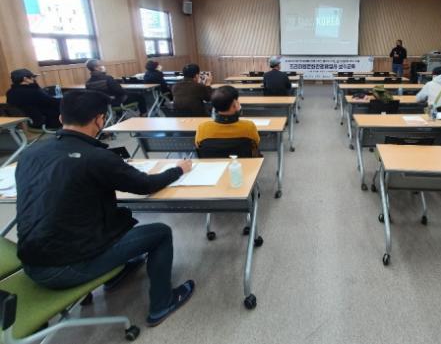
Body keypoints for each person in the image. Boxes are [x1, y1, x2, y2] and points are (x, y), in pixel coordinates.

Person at [16, 90, 194, 326]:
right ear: (99, 120)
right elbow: (145, 185)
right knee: (160, 232)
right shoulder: (97, 157)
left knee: (119, 218)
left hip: (31, 261)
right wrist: (179, 169)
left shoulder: (29, 153)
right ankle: (162, 304)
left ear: (61, 118)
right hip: (67, 267)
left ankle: (117, 272)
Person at [195, 85, 260, 155]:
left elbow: (198, 146)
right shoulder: (249, 127)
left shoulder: (203, 128)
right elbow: (256, 143)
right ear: (235, 104)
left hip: (213, 161)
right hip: (242, 161)